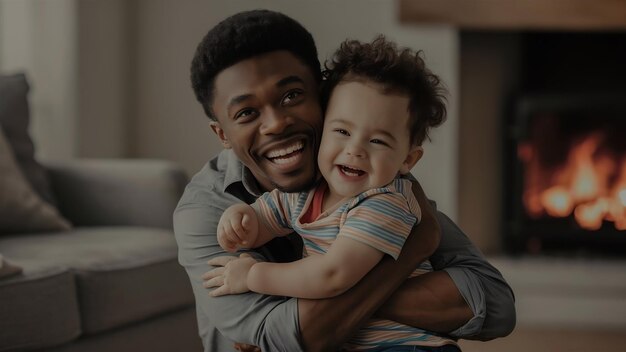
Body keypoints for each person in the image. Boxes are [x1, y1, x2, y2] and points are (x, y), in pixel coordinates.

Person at [174, 9, 515, 352]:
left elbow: (496, 306)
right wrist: (411, 250)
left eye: (291, 95)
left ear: (321, 95)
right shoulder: (204, 209)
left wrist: (275, 280)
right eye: (246, 112)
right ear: (222, 133)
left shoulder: (378, 186)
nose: (276, 124)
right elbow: (288, 338)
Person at [204, 36, 461, 351]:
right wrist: (240, 220)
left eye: (378, 141)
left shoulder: (386, 203)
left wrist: (253, 275)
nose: (355, 151)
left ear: (407, 159)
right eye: (342, 132)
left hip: (403, 345)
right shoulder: (307, 193)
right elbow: (263, 221)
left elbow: (332, 275)